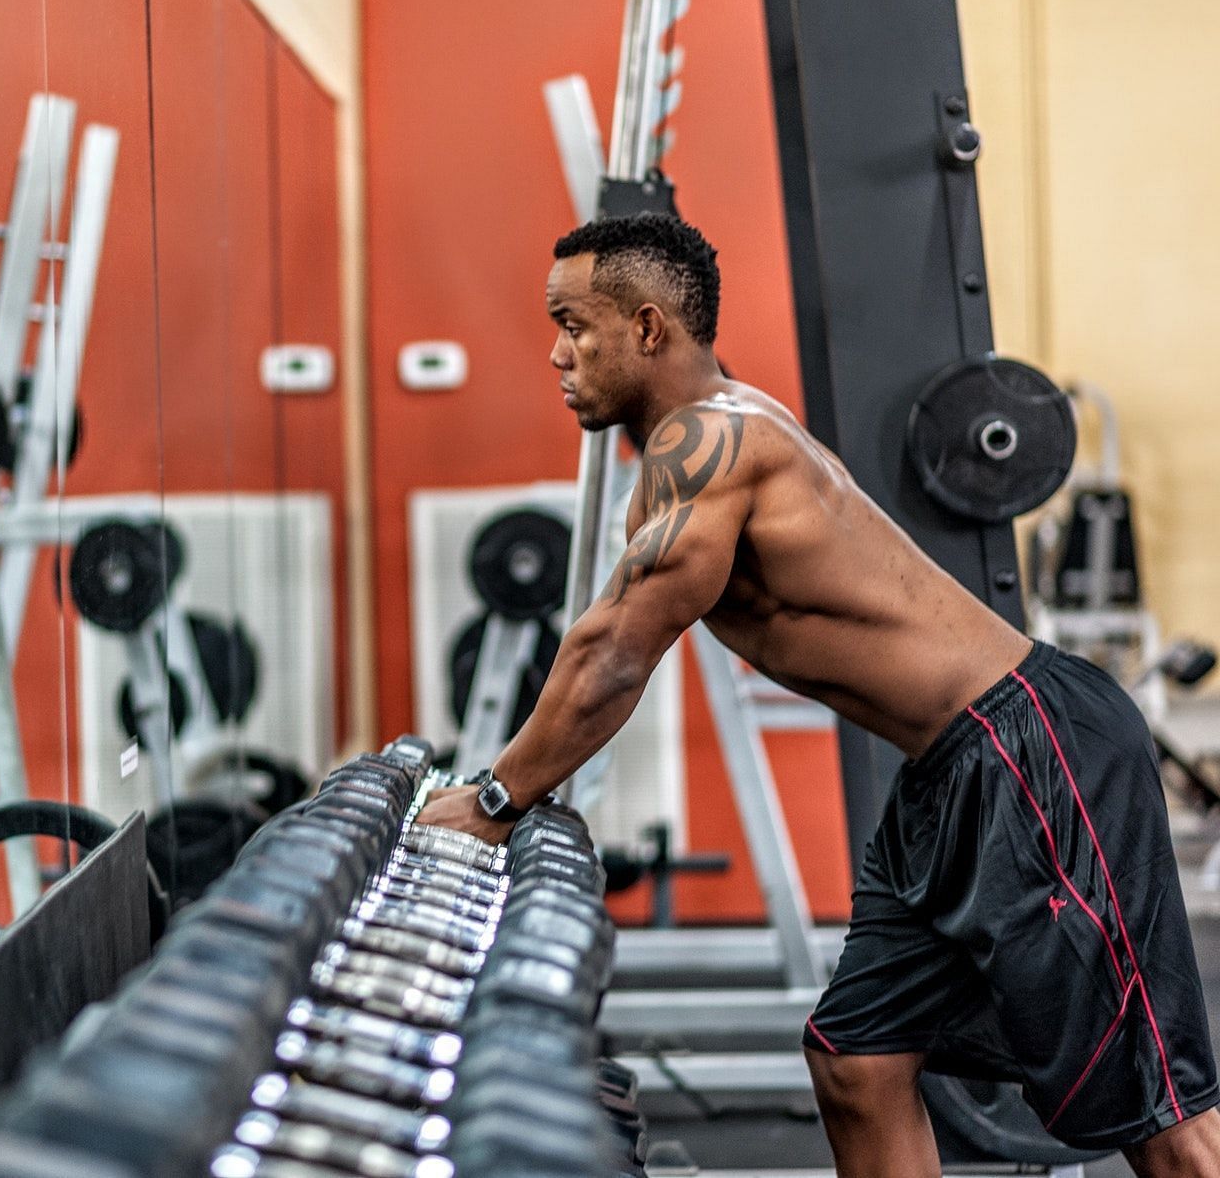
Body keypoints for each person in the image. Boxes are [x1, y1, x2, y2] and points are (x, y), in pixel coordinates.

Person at [415, 213, 1220, 1175]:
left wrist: (496, 801)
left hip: (1032, 750)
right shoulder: (702, 443)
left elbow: (613, 654)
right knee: (858, 1059)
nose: (556, 353)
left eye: (573, 325)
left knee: (1164, 1119)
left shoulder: (711, 444)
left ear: (646, 328)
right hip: (947, 776)